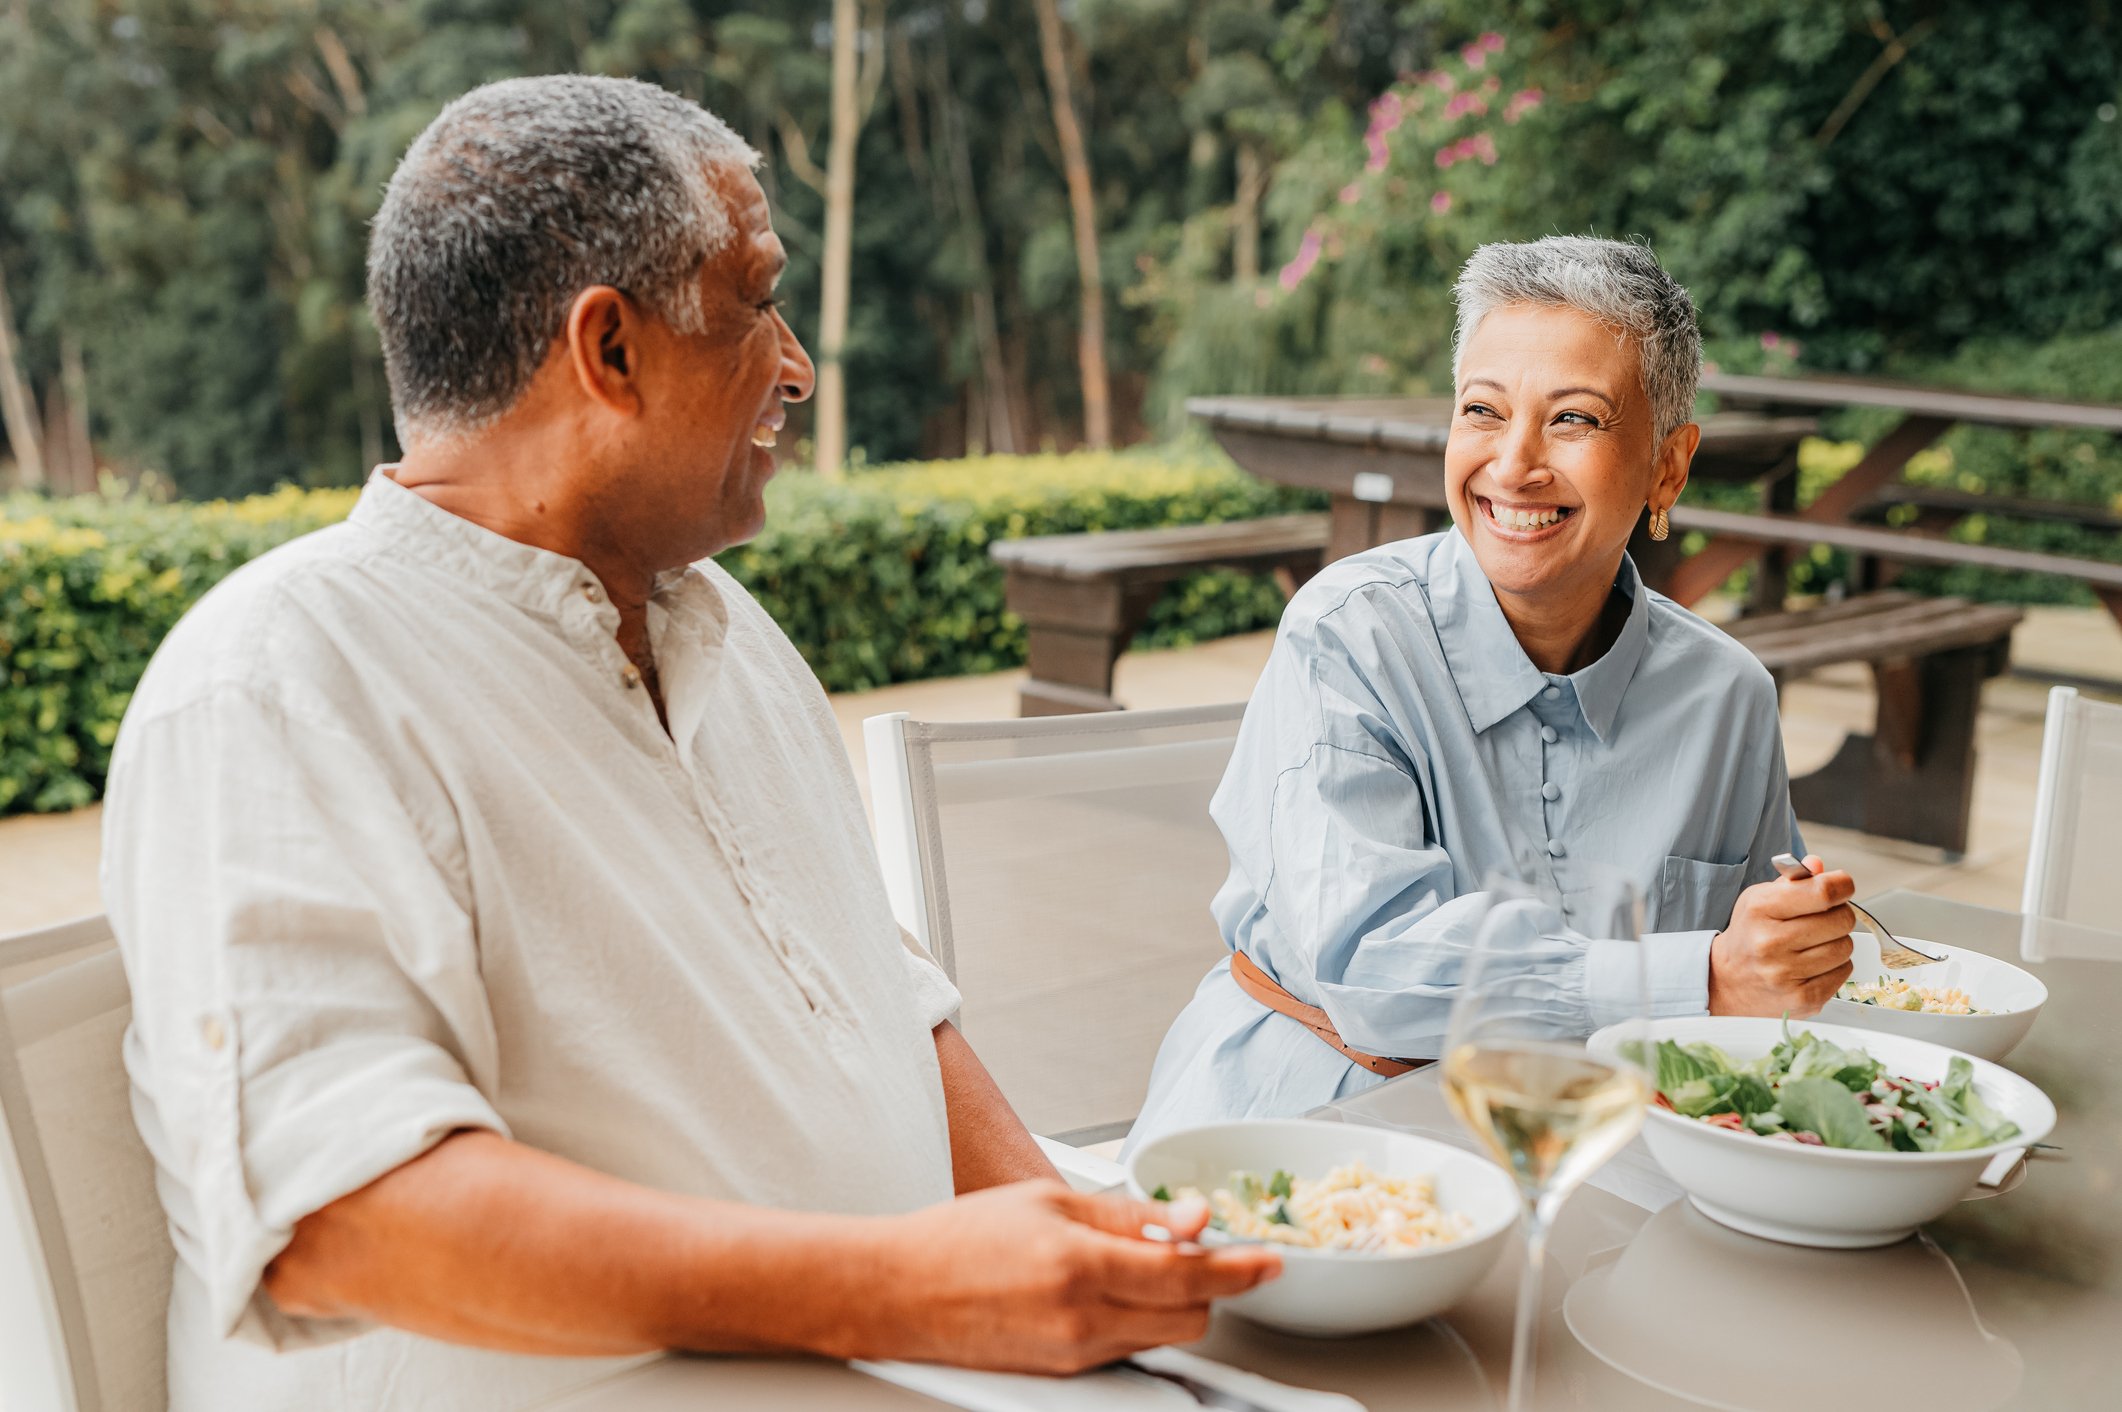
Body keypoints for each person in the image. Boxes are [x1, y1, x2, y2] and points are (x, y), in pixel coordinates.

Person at [102, 75, 1276, 1412]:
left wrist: (1079, 1241)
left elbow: (880, 998)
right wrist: (906, 1288)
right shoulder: (279, 679)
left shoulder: (723, 630)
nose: (796, 366)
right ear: (609, 353)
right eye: (755, 301)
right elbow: (345, 1222)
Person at [1126, 236, 1858, 1149]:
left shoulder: (1728, 696)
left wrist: (1793, 949)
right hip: (1313, 1122)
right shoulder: (1347, 635)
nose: (1514, 464)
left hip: (1596, 1148)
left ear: (1668, 467)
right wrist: (1695, 978)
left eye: (1574, 420)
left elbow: (1759, 981)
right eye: (1483, 410)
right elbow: (1369, 967)